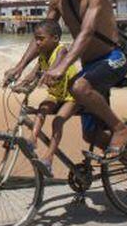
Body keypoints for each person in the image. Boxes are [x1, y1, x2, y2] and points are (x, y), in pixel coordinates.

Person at [4, 0, 127, 157]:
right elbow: (43, 34)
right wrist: (19, 67)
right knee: (91, 135)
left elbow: (87, 32)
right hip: (90, 66)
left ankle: (120, 129)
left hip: (113, 58)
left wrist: (62, 67)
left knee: (78, 86)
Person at [13, 20, 79, 177]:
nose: (37, 42)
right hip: (56, 95)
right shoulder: (42, 55)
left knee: (57, 122)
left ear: (55, 38)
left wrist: (48, 74)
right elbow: (33, 75)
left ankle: (48, 159)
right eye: (36, 38)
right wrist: (19, 84)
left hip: (72, 96)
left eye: (41, 39)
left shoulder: (61, 50)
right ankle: (32, 139)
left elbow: (55, 66)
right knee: (41, 109)